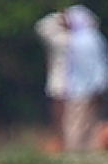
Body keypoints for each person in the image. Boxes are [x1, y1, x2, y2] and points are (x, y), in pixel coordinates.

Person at [60, 5, 108, 153]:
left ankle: (73, 149)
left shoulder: (74, 40)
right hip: (94, 87)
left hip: (77, 88)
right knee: (92, 121)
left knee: (74, 122)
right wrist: (101, 84)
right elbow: (102, 63)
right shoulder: (95, 38)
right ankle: (90, 148)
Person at [35, 10, 71, 149]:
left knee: (66, 119)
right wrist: (61, 18)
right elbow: (41, 27)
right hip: (60, 83)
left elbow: (42, 27)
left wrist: (58, 18)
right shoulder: (60, 38)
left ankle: (66, 143)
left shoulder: (64, 39)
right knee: (60, 117)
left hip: (69, 84)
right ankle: (62, 143)